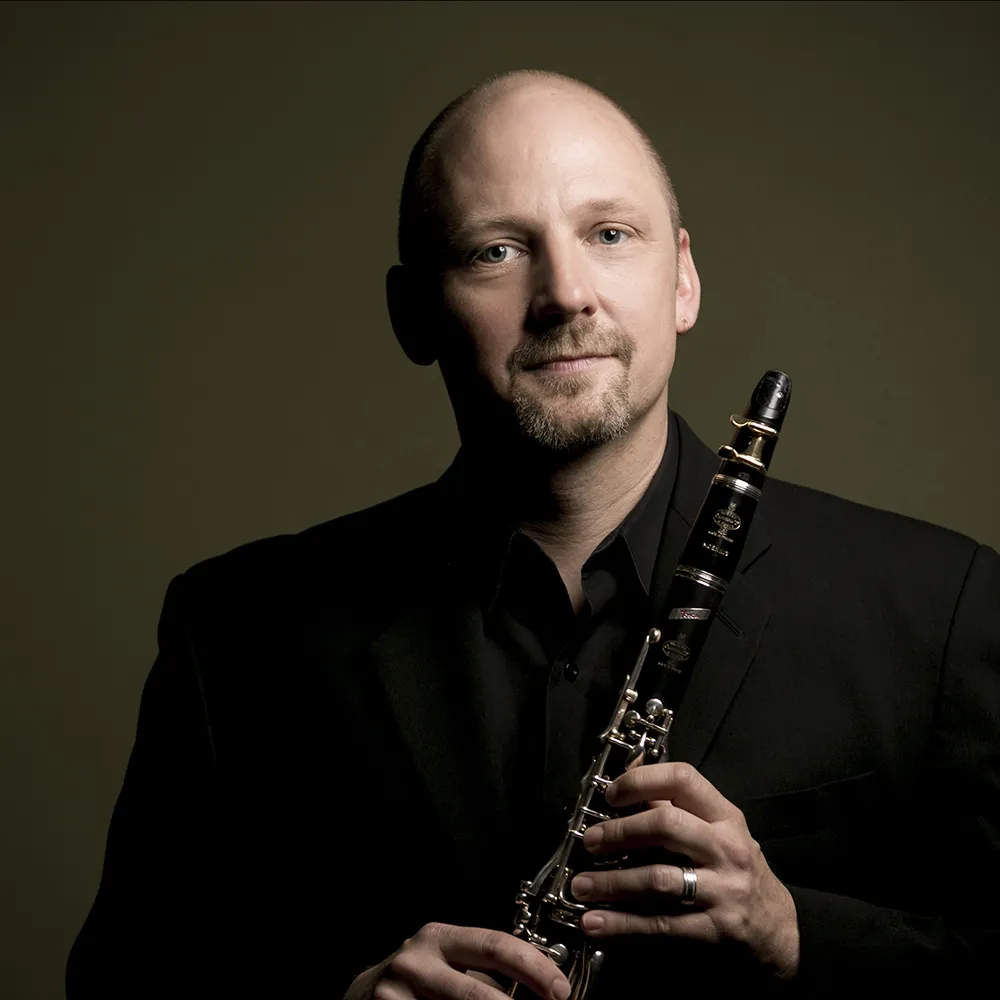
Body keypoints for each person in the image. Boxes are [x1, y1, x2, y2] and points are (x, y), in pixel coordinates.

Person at [67, 70, 999, 999]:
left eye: (610, 234)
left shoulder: (939, 608)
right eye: (496, 251)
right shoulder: (237, 634)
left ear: (682, 278)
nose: (566, 293)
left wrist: (795, 933)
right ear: (412, 314)